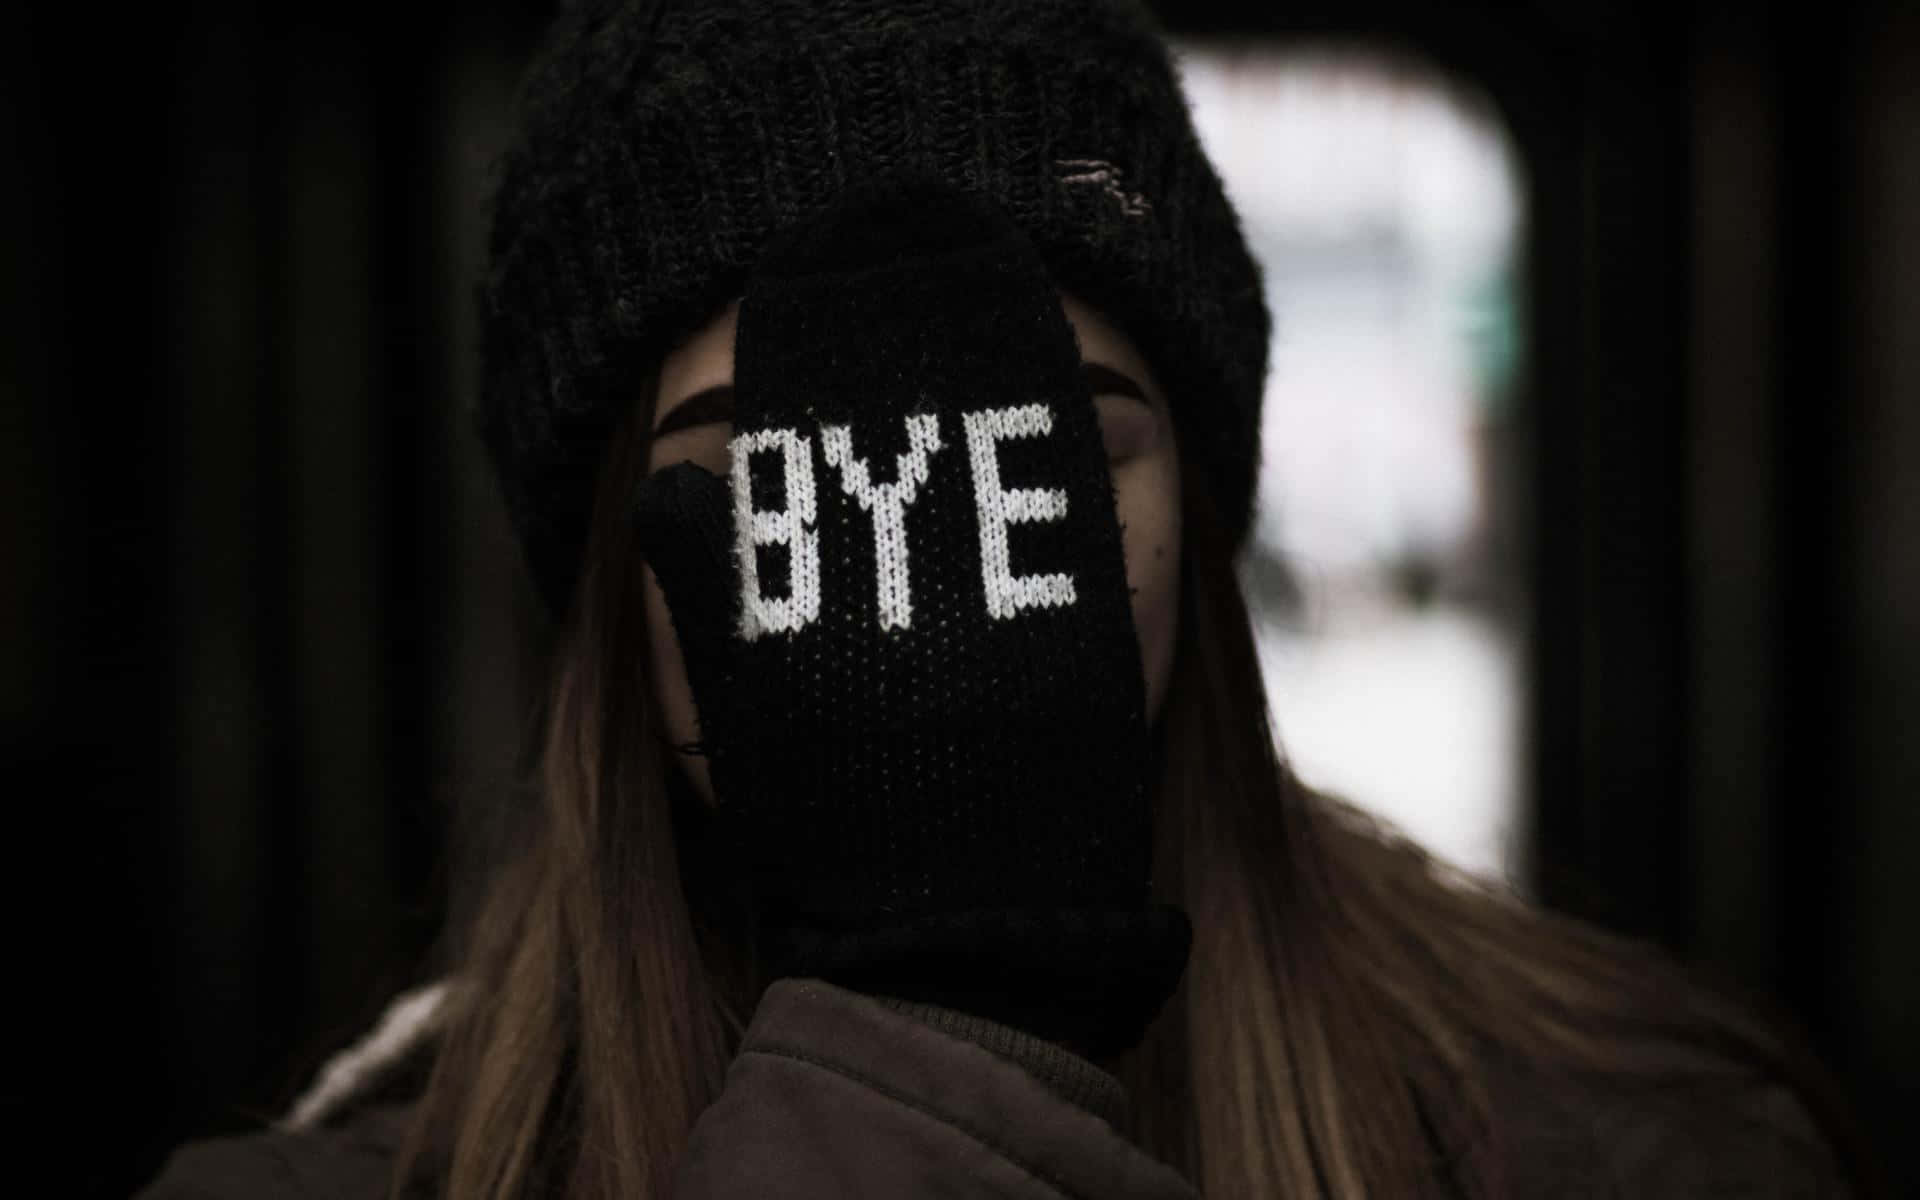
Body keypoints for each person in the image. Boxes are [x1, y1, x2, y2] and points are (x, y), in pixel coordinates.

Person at [139, 0, 1877, 1196]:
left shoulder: (1637, 1151)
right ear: (611, 585)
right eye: (775, 474)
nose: (922, 590)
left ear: (1197, 514)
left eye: (1034, 458)